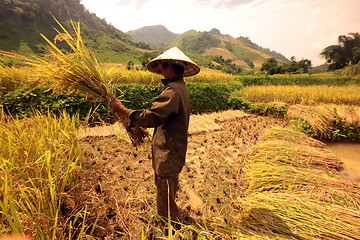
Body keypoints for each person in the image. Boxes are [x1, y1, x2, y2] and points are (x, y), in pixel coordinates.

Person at [109, 47, 200, 222]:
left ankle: (170, 224)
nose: (161, 70)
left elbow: (152, 118)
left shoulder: (172, 90)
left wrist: (123, 110)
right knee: (168, 185)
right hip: (172, 148)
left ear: (170, 67)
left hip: (169, 150)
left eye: (162, 67)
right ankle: (172, 214)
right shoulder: (180, 87)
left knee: (165, 188)